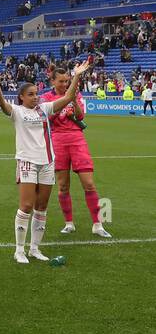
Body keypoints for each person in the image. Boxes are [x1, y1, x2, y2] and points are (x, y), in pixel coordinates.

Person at [0, 60, 91, 264]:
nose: (35, 97)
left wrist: (77, 75)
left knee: (42, 207)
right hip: (27, 161)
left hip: (47, 162)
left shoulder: (45, 108)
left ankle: (35, 248)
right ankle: (19, 250)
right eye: (31, 95)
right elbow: (1, 103)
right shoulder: (17, 111)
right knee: (26, 205)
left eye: (36, 94)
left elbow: (70, 96)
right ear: (21, 97)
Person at [42, 66, 112, 239]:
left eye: (67, 81)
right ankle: (69, 224)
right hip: (58, 140)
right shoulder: (47, 97)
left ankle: (97, 224)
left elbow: (80, 117)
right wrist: (62, 105)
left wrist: (72, 101)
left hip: (77, 139)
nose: (65, 84)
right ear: (53, 81)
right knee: (63, 185)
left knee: (89, 183)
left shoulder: (76, 94)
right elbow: (48, 118)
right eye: (61, 81)